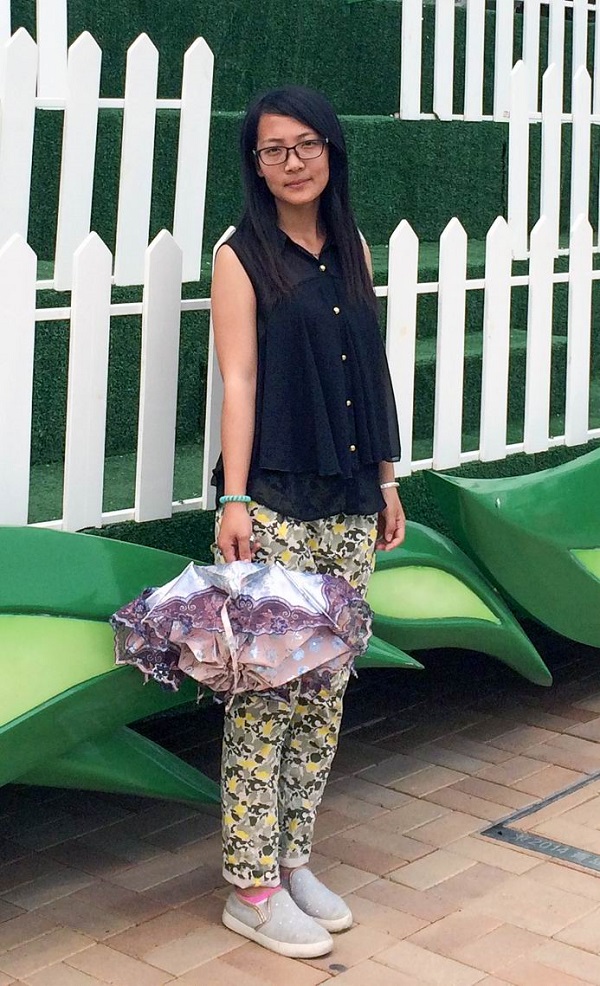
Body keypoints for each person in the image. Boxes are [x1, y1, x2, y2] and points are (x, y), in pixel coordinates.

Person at [210, 85, 405, 959]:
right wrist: (234, 499)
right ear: (255, 165)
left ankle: (293, 861)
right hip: (277, 500)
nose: (292, 162)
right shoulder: (240, 255)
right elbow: (240, 381)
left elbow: (372, 368)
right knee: (267, 696)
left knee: (324, 694)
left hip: (352, 498)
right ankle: (250, 887)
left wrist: (387, 480)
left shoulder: (352, 245)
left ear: (332, 148)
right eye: (273, 150)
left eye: (306, 145)